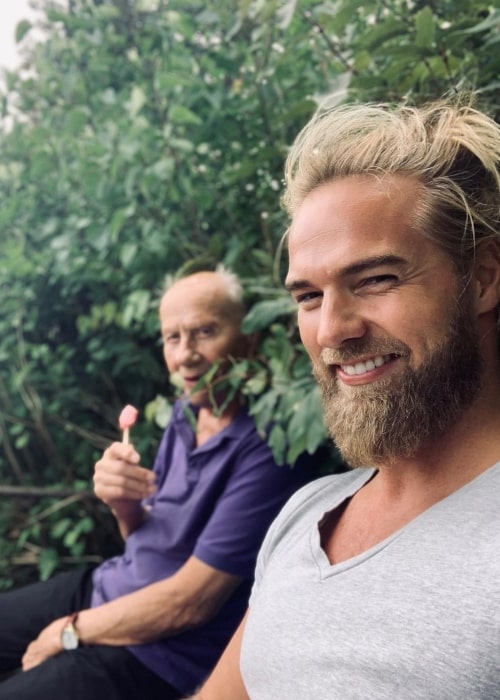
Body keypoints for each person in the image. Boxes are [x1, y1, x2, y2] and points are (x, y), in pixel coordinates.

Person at [189, 95, 500, 699]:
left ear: (484, 277)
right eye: (308, 296)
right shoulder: (305, 516)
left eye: (376, 279)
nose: (332, 330)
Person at [0, 267, 313, 700]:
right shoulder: (185, 412)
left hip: (159, 655)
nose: (186, 355)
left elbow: (192, 603)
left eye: (205, 331)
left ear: (249, 338)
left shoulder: (270, 448)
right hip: (108, 588)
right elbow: (141, 537)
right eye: (172, 337)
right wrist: (122, 503)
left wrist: (70, 631)